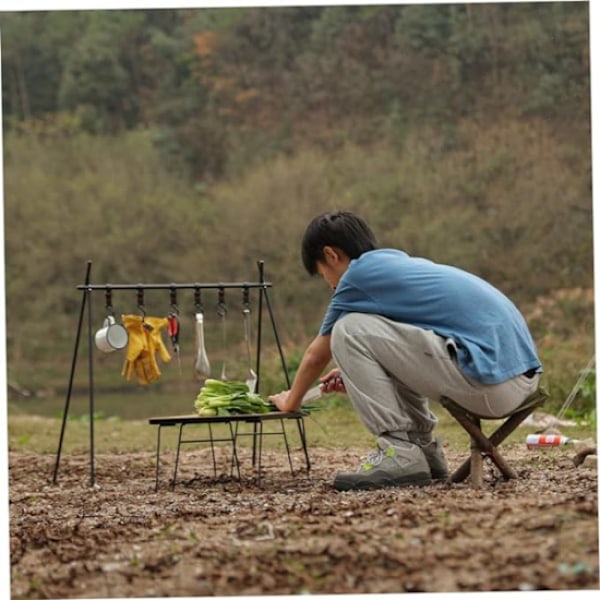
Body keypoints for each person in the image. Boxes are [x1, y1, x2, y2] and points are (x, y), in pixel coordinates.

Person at [268, 210, 542, 491]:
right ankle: (422, 449)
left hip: (491, 383)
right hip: (518, 380)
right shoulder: (394, 267)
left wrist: (291, 400)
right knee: (359, 329)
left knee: (347, 328)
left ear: (331, 255)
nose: (328, 283)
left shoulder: (357, 278)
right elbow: (406, 349)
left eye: (322, 271)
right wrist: (361, 373)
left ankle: (399, 451)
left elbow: (317, 354)